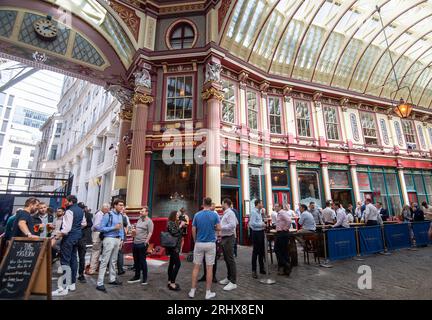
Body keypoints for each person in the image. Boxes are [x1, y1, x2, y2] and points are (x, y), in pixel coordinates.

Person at [52, 195, 87, 296]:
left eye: (66, 201)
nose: (65, 203)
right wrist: (76, 228)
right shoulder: (81, 210)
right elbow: (84, 223)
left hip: (69, 238)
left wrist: (57, 236)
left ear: (70, 202)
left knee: (65, 261)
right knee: (73, 259)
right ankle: (72, 284)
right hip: (77, 236)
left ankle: (63, 288)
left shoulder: (69, 211)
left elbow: (66, 229)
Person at [188, 197, 221, 300]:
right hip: (210, 243)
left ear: (203, 204)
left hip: (199, 243)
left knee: (196, 267)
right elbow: (219, 228)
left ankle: (192, 291)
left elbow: (193, 229)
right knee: (209, 268)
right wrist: (213, 227)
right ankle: (208, 292)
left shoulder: (197, 215)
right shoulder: (214, 215)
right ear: (210, 204)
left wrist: (195, 240)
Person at [96, 199, 125, 293]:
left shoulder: (120, 215)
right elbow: (101, 228)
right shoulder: (108, 215)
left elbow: (121, 228)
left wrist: (122, 239)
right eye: (120, 205)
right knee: (105, 261)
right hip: (109, 239)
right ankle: (99, 283)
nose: (121, 207)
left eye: (122, 205)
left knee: (113, 261)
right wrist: (113, 227)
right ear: (115, 205)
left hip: (117, 240)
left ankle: (112, 279)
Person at [128, 206, 153, 285]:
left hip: (142, 244)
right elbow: (136, 230)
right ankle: (137, 277)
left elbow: (150, 232)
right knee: (136, 261)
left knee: (142, 261)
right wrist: (133, 233)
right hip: (135, 243)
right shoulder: (139, 219)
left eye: (142, 211)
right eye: (140, 211)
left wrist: (145, 242)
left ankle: (144, 278)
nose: (140, 212)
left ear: (146, 212)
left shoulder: (149, 222)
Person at [219, 198, 238, 291]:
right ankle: (229, 278)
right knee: (227, 259)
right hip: (225, 238)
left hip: (229, 238)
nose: (221, 204)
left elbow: (233, 225)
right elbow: (236, 222)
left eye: (222, 203)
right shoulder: (227, 213)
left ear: (225, 204)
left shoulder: (230, 213)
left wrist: (221, 227)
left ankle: (233, 282)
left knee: (230, 259)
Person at [87, 203, 110, 275]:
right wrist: (104, 229)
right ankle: (92, 269)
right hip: (97, 234)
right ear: (104, 209)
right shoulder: (99, 214)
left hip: (98, 234)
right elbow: (96, 225)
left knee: (96, 252)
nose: (108, 211)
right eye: (107, 209)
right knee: (96, 252)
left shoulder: (102, 214)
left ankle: (94, 268)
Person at [166, 210, 184, 291]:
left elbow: (179, 233)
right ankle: (172, 283)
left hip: (175, 246)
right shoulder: (170, 222)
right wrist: (180, 226)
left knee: (172, 264)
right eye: (176, 215)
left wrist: (181, 225)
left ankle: (169, 281)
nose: (178, 216)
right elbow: (174, 232)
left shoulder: (174, 222)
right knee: (178, 264)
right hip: (174, 247)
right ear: (173, 215)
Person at [249, 199, 266, 279]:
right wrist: (261, 224)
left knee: (261, 251)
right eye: (261, 203)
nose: (262, 204)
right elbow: (252, 224)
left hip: (261, 232)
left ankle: (262, 268)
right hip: (256, 233)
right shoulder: (253, 212)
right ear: (258, 204)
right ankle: (254, 271)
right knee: (255, 252)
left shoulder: (260, 212)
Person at [274, 203, 292, 276]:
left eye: (276, 206)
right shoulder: (279, 213)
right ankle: (286, 269)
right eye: (274, 206)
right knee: (283, 251)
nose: (275, 207)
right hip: (280, 232)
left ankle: (286, 264)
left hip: (282, 233)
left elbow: (289, 221)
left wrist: (284, 229)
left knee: (277, 249)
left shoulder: (282, 212)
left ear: (280, 207)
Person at [76, 202, 92, 283]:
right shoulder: (73, 214)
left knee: (82, 257)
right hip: (74, 238)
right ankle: (71, 273)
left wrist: (85, 225)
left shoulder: (87, 215)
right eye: (81, 208)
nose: (82, 210)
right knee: (73, 257)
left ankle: (81, 274)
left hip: (83, 238)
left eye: (83, 208)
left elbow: (90, 223)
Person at [117, 208, 130, 276]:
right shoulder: (123, 217)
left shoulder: (112, 215)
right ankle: (120, 269)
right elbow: (126, 226)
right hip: (120, 237)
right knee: (120, 253)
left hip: (116, 237)